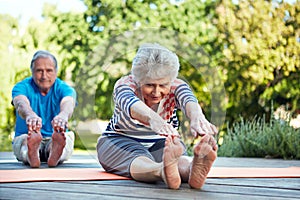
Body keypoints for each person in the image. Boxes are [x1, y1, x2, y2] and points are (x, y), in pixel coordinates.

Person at [97, 43, 218, 189]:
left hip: (162, 143)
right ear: (138, 79)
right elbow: (132, 104)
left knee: (174, 155)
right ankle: (162, 170)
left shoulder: (177, 86)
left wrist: (197, 117)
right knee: (139, 157)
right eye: (149, 85)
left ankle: (191, 169)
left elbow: (188, 100)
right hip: (120, 140)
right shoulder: (125, 85)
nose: (156, 92)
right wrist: (154, 120)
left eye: (163, 85)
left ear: (171, 80)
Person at [11, 50, 77, 168]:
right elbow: (21, 103)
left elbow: (68, 103)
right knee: (25, 141)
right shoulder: (21, 87)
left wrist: (63, 116)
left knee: (65, 139)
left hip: (55, 135)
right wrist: (30, 115)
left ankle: (54, 151)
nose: (44, 76)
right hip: (27, 135)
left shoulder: (65, 88)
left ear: (56, 72)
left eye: (49, 71)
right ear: (32, 71)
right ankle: (32, 153)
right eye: (39, 71)